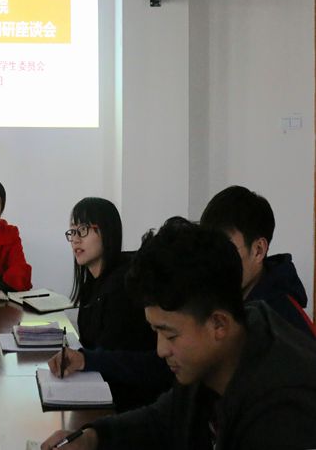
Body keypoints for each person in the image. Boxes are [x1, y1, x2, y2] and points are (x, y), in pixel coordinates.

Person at [41, 218, 316, 450]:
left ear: (218, 325)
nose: (161, 350)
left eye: (170, 335)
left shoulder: (283, 409)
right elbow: (163, 418)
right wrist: (92, 438)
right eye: (156, 331)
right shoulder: (213, 354)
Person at [47, 197, 159, 410]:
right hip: (101, 389)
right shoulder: (92, 283)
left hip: (127, 401)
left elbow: (122, 357)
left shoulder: (122, 287)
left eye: (83, 230)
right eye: (72, 231)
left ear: (107, 232)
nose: (75, 239)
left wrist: (84, 359)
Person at [200, 185, 315, 338]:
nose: (212, 262)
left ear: (258, 250)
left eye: (224, 249)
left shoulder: (281, 322)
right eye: (208, 248)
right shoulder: (221, 303)